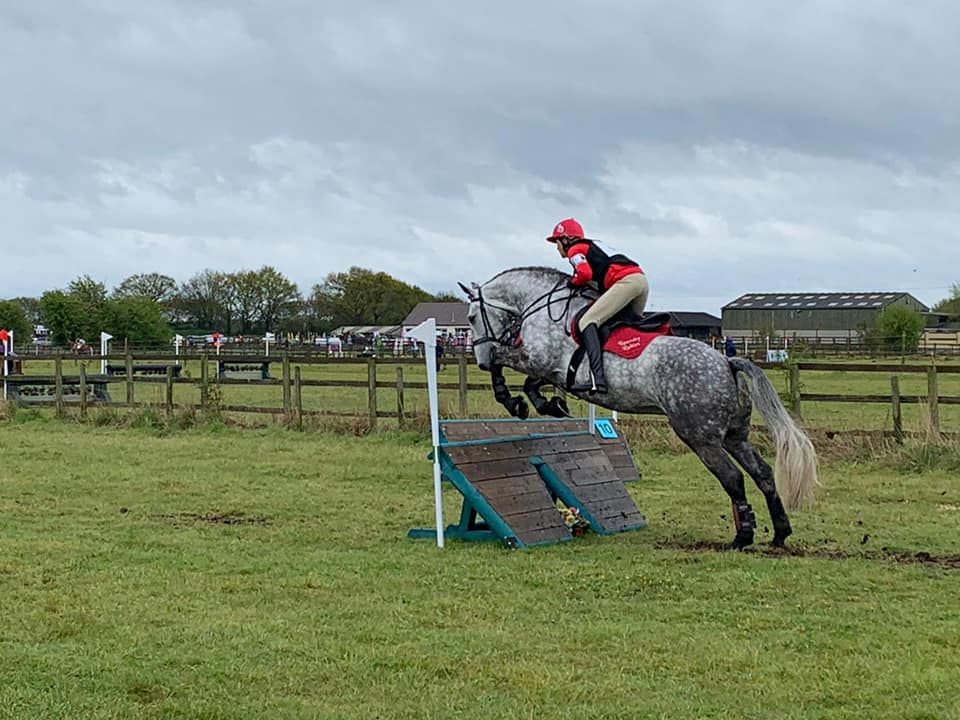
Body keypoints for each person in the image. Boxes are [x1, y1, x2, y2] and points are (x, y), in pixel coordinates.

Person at [547, 217, 649, 393]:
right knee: (623, 329)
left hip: (626, 283)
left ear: (566, 239)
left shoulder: (575, 249)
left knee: (587, 321)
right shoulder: (593, 246)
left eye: (557, 241)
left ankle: (597, 379)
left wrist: (573, 282)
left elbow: (584, 274)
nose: (557, 247)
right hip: (641, 282)